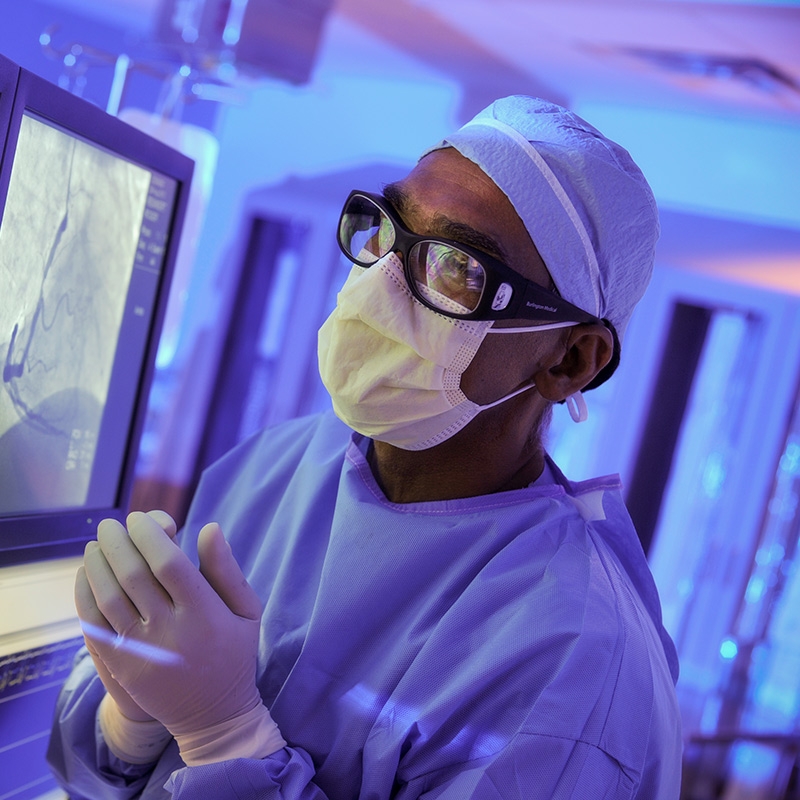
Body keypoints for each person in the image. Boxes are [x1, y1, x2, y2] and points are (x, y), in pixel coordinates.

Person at [48, 96, 682, 799]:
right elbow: (88, 774)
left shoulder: (577, 666)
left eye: (460, 269)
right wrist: (128, 722)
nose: (379, 285)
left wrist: (224, 733)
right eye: (386, 231)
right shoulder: (278, 467)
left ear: (569, 361)